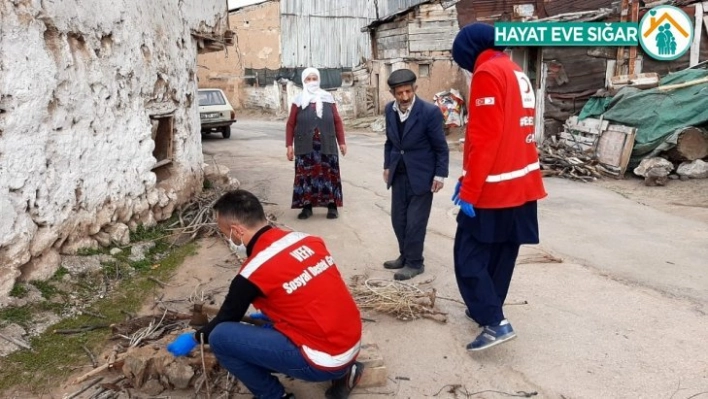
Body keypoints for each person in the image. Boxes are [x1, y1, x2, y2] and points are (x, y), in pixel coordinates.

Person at [166, 189, 364, 399]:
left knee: (220, 338)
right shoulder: (307, 240)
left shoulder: (252, 273)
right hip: (351, 342)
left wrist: (196, 338)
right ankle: (347, 372)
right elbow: (306, 293)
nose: (227, 238)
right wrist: (273, 318)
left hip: (322, 360)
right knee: (267, 324)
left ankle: (274, 396)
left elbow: (226, 318)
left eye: (224, 233)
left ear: (237, 231)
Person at [450, 23, 547, 351]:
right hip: (523, 183)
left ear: (468, 50)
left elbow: (485, 139)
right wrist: (466, 178)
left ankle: (494, 322)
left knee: (467, 257)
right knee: (503, 253)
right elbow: (509, 132)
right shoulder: (515, 70)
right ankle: (486, 310)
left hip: (496, 188)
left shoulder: (487, 73)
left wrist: (470, 191)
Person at [382, 68, 449, 281]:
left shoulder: (429, 112)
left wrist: (440, 174)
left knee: (415, 223)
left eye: (408, 92)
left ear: (415, 89)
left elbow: (441, 147)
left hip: (422, 176)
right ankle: (404, 255)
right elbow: (390, 142)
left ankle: (415, 263)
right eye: (399, 93)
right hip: (399, 174)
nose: (404, 97)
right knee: (398, 220)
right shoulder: (389, 110)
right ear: (393, 93)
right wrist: (387, 165)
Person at [286, 67, 347, 220]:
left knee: (329, 175)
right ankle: (307, 207)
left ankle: (332, 206)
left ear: (319, 80)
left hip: (326, 143)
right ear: (303, 81)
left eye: (314, 78)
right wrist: (289, 145)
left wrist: (342, 142)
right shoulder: (298, 101)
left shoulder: (327, 98)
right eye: (308, 79)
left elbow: (337, 121)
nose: (312, 82)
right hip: (305, 145)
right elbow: (290, 124)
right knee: (306, 176)